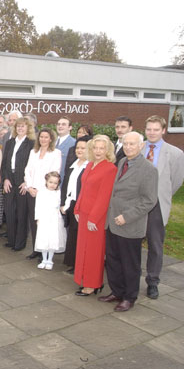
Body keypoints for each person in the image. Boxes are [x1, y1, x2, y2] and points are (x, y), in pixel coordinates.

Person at [100, 132, 158, 312]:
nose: (128, 147)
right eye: (126, 144)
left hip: (130, 224)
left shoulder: (149, 169)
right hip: (112, 222)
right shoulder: (122, 162)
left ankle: (129, 297)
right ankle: (117, 291)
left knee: (129, 263)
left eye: (132, 144)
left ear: (141, 146)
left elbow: (149, 200)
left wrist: (127, 216)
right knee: (113, 260)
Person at [143, 115, 184, 299]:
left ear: (163, 130)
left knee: (155, 245)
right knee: (132, 243)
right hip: (136, 203)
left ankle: (152, 281)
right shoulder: (137, 147)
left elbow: (175, 181)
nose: (152, 133)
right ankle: (130, 276)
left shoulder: (175, 153)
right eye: (149, 129)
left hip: (157, 204)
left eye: (156, 129)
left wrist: (162, 195)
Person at [73, 135, 117, 296]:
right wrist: (77, 208)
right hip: (83, 213)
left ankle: (93, 284)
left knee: (94, 252)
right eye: (95, 148)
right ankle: (84, 279)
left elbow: (104, 197)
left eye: (102, 148)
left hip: (95, 217)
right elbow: (83, 188)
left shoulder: (110, 168)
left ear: (107, 150)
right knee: (83, 249)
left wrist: (93, 218)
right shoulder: (90, 164)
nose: (98, 151)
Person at [24, 128, 62, 259]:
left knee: (45, 224)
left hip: (45, 194)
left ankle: (45, 252)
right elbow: (27, 170)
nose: (43, 139)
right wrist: (29, 187)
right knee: (34, 222)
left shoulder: (56, 153)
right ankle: (36, 249)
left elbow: (54, 173)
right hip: (32, 192)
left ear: (51, 139)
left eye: (46, 137)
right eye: (41, 137)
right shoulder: (33, 152)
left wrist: (40, 190)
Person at [1, 117, 35, 251]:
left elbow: (32, 165)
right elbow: (4, 163)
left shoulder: (32, 143)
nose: (20, 128)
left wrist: (27, 182)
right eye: (18, 126)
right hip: (10, 180)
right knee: (9, 211)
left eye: (23, 126)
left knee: (21, 213)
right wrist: (5, 179)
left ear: (28, 128)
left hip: (22, 182)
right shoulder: (9, 143)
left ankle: (20, 243)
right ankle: (11, 239)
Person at [60, 136, 91, 274]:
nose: (79, 150)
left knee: (80, 236)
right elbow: (66, 185)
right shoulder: (73, 164)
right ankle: (72, 262)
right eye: (78, 147)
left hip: (82, 206)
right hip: (71, 204)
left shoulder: (89, 167)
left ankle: (80, 264)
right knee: (72, 234)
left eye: (83, 148)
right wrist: (63, 203)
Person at [34, 172, 66, 270]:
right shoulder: (41, 192)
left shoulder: (58, 192)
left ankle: (50, 260)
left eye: (55, 183)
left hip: (54, 218)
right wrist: (37, 218)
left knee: (52, 238)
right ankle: (44, 259)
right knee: (44, 238)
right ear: (46, 182)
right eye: (50, 182)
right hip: (44, 217)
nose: (52, 185)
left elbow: (61, 203)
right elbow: (38, 205)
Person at [55, 117, 76, 183]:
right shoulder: (51, 142)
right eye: (58, 124)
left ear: (70, 127)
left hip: (64, 181)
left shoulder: (74, 143)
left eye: (63, 124)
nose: (60, 126)